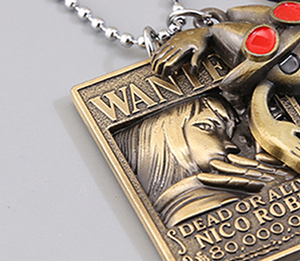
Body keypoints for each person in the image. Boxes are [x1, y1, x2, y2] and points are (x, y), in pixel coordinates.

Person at [116, 95, 281, 227]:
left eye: (228, 134)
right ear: (165, 135)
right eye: (208, 127)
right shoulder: (196, 205)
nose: (231, 145)